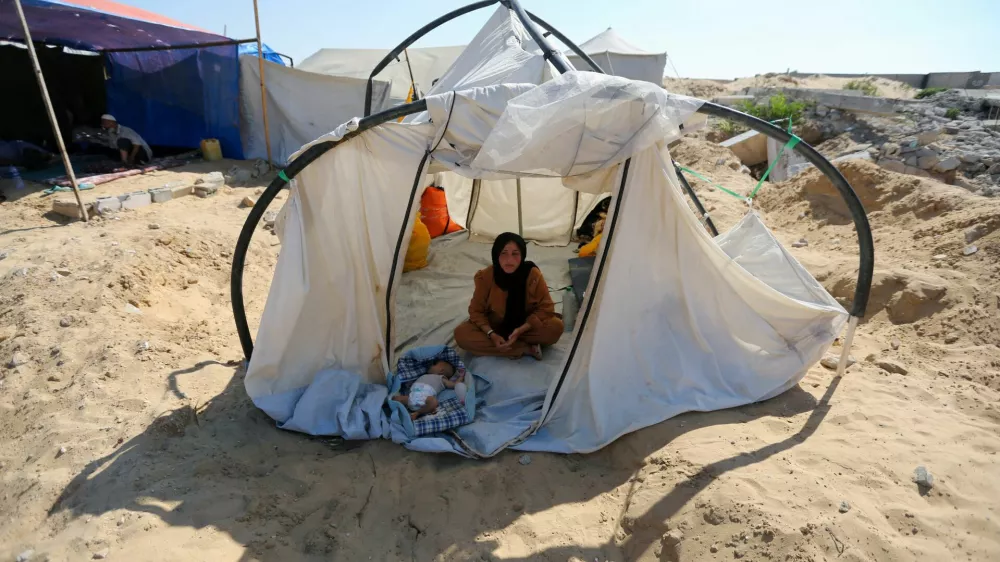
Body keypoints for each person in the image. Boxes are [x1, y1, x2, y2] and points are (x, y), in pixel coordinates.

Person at [454, 232, 563, 360]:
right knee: (462, 335)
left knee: (555, 327)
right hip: (495, 326)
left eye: (515, 254)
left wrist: (521, 330)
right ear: (496, 255)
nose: (509, 260)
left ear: (522, 255)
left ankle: (506, 346)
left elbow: (546, 307)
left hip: (525, 326)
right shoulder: (485, 277)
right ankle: (525, 349)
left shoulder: (532, 275)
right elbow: (476, 311)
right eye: (504, 253)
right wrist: (492, 334)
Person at [391, 360, 467, 420]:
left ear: (441, 370)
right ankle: (391, 403)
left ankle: (417, 413)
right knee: (396, 399)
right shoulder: (425, 375)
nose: (430, 365)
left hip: (424, 397)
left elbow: (455, 385)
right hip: (413, 394)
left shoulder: (442, 378)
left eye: (434, 364)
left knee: (434, 402)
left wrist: (461, 376)